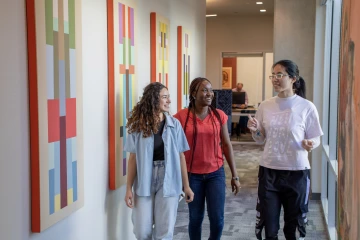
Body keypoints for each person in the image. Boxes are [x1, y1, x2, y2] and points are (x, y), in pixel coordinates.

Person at [247, 60, 323, 240]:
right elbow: (260, 139)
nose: (275, 79)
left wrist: (310, 143)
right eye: (273, 75)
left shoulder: (306, 106)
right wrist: (255, 130)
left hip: (297, 173)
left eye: (279, 75)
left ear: (293, 79)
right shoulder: (266, 105)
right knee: (270, 229)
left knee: (293, 229)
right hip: (269, 171)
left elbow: (316, 138)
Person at [124, 82, 194, 240]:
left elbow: (181, 156)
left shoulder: (174, 125)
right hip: (144, 179)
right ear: (153, 100)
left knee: (165, 232)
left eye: (169, 97)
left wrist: (187, 186)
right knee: (142, 231)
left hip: (169, 179)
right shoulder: (138, 126)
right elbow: (133, 158)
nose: (169, 101)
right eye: (165, 97)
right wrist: (128, 188)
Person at [174, 77, 241, 240]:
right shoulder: (181, 117)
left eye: (210, 90)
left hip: (215, 174)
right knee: (195, 219)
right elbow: (176, 151)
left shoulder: (219, 116)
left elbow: (226, 145)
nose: (209, 94)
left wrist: (235, 175)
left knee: (217, 219)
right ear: (193, 94)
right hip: (192, 176)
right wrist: (181, 180)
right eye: (204, 90)